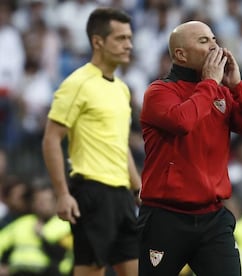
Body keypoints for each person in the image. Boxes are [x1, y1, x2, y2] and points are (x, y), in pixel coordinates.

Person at [137, 20, 242, 275]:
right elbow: (183, 122)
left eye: (213, 39)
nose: (215, 46)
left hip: (212, 218)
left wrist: (237, 86)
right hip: (165, 218)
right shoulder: (159, 92)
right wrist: (211, 84)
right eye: (203, 41)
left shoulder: (220, 93)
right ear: (181, 54)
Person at [42, 8, 141, 276]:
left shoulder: (122, 89)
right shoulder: (77, 83)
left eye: (129, 38)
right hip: (93, 192)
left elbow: (120, 145)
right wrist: (63, 194)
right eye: (120, 38)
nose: (128, 45)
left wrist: (137, 187)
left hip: (121, 195)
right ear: (98, 41)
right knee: (91, 271)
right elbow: (51, 139)